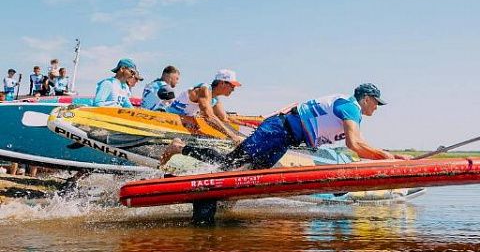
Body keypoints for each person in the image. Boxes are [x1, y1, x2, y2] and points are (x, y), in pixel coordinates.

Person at [161, 83, 411, 170]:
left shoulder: (353, 112)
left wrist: (391, 156)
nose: (376, 108)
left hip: (285, 137)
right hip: (278, 130)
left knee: (251, 172)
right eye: (376, 103)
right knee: (231, 164)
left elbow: (361, 144)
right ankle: (180, 147)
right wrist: (387, 157)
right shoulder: (351, 107)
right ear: (366, 99)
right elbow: (354, 145)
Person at [167, 69, 244, 143]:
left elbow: (225, 119)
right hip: (166, 119)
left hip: (182, 122)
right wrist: (233, 136)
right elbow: (209, 117)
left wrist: (250, 126)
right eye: (232, 86)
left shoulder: (215, 99)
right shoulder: (204, 90)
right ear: (222, 83)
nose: (233, 90)